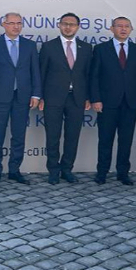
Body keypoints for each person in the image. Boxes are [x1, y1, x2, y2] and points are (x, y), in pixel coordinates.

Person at [89, 16, 136, 185]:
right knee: (105, 139)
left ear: (131, 29)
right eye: (119, 26)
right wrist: (95, 99)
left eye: (126, 26)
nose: (123, 29)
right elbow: (94, 76)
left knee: (126, 140)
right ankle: (102, 172)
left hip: (130, 102)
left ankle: (123, 173)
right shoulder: (101, 49)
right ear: (112, 29)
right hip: (107, 102)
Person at [0, 12, 41, 185]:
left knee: (19, 135)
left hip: (22, 96)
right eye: (12, 23)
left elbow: (35, 71)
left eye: (19, 23)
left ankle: (14, 170)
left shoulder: (30, 45)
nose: (16, 26)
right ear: (4, 24)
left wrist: (36, 94)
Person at [38, 12, 93, 184]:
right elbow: (41, 73)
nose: (68, 27)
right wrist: (41, 97)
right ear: (59, 25)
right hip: (52, 98)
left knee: (72, 136)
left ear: (78, 27)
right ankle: (53, 170)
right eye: (65, 23)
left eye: (72, 24)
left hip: (77, 98)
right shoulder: (48, 47)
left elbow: (89, 75)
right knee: (52, 136)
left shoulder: (86, 48)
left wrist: (88, 97)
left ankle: (67, 169)